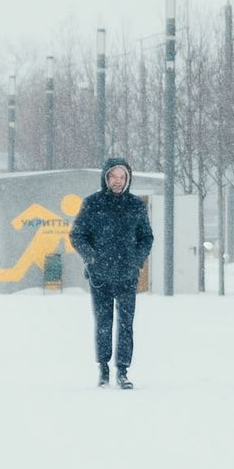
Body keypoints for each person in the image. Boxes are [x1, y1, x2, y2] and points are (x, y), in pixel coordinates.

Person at [70, 157, 153, 389]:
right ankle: (104, 369)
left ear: (128, 179)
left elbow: (147, 237)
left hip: (127, 276)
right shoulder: (92, 204)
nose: (117, 181)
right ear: (106, 178)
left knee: (126, 324)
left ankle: (123, 371)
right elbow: (77, 235)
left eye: (122, 177)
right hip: (100, 278)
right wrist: (92, 258)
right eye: (113, 177)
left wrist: (137, 260)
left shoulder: (136, 206)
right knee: (104, 323)